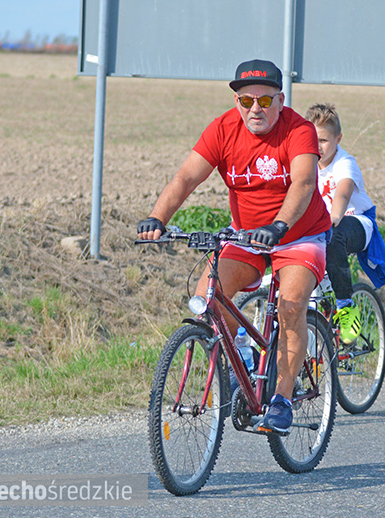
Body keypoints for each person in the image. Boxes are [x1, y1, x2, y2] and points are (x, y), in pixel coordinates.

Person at [136, 59, 331, 435]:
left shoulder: (299, 130)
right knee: (208, 299)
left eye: (264, 100)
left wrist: (280, 224)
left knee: (291, 306)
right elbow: (186, 177)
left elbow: (304, 183)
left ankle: (282, 399)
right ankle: (241, 353)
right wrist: (157, 218)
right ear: (236, 101)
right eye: (245, 101)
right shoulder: (224, 129)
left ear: (280, 99)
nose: (255, 109)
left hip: (298, 235)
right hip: (247, 235)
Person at [305, 103, 385, 343]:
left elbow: (342, 194)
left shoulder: (345, 162)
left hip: (356, 222)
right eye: (313, 139)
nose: (318, 147)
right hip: (319, 227)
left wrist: (333, 218)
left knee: (335, 236)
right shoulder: (305, 162)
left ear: (338, 138)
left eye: (323, 140)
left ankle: (346, 306)